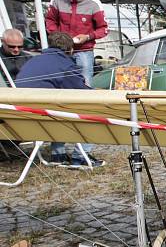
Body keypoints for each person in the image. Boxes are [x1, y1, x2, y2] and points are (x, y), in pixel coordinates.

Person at [15, 32, 104, 167]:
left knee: (56, 108)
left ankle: (58, 154)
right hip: (45, 119)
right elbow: (82, 92)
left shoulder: (32, 61)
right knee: (94, 109)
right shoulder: (64, 65)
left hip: (21, 118)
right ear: (71, 49)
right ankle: (80, 157)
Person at [45, 0, 108, 87]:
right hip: (61, 51)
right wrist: (58, 37)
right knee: (59, 82)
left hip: (84, 51)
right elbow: (50, 21)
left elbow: (103, 29)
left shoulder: (94, 4)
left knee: (85, 83)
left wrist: (88, 37)